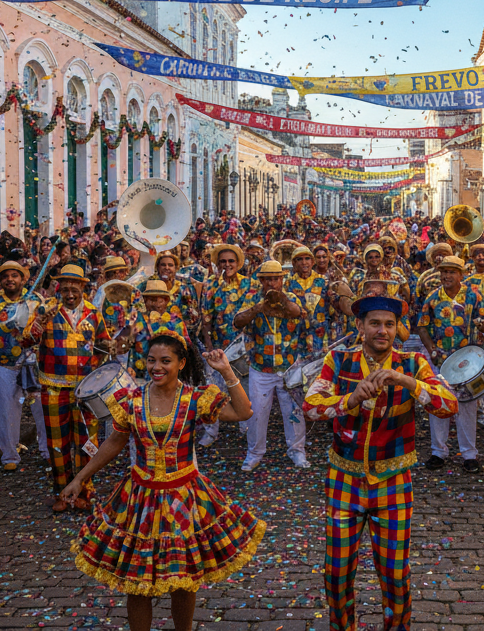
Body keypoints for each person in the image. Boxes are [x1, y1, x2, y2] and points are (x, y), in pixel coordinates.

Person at [65, 332, 262, 631]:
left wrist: (226, 370)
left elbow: (243, 412)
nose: (156, 367)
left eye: (165, 361)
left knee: (183, 581)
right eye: (151, 360)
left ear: (181, 363)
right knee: (136, 582)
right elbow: (115, 441)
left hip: (184, 499)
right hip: (139, 501)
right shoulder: (131, 400)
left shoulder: (195, 398)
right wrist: (80, 478)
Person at [302, 293, 458, 631]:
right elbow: (310, 407)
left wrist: (406, 382)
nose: (382, 331)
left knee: (395, 574)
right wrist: (349, 399)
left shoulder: (413, 362)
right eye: (374, 323)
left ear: (397, 328)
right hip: (344, 481)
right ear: (360, 326)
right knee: (337, 572)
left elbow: (448, 405)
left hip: (393, 482)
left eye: (389, 324)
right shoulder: (338, 360)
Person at [23, 264, 111, 512]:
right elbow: (26, 340)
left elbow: (103, 344)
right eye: (66, 289)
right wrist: (40, 322)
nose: (70, 294)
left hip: (86, 390)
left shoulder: (93, 313)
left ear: (83, 287)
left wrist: (113, 348)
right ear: (59, 288)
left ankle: (84, 490)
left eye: (75, 289)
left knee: (87, 441)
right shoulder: (46, 310)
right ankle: (62, 492)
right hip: (53, 388)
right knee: (57, 442)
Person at [416, 256, 484, 472]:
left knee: (466, 407)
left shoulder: (474, 295)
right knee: (438, 404)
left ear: (461, 275)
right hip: (440, 359)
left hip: (468, 361)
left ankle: (469, 454)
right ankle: (438, 452)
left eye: (451, 272)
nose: (447, 276)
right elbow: (422, 326)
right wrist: (432, 349)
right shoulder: (432, 298)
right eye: (444, 272)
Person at [233, 260, 309, 471]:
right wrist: (258, 308)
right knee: (257, 414)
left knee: (293, 413)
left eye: (276, 279)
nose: (272, 283)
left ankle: (297, 452)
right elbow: (237, 321)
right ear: (261, 281)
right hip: (260, 367)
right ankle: (254, 454)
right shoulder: (252, 298)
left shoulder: (291, 297)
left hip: (289, 367)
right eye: (267, 279)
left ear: (282, 280)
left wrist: (280, 299)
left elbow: (297, 312)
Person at [0, 261, 44, 473]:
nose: (10, 279)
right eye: (5, 276)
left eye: (14, 275)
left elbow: (45, 324)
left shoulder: (36, 300)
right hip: (5, 363)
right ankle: (10, 455)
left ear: (22, 279)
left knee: (41, 407)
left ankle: (47, 450)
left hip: (33, 361)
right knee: (7, 409)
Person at [198, 244, 253, 448]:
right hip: (219, 346)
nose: (227, 265)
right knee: (213, 388)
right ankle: (211, 431)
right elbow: (206, 319)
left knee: (243, 387)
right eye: (223, 261)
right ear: (217, 264)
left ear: (238, 263)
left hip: (245, 347)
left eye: (231, 261)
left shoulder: (249, 284)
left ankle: (246, 427)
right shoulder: (210, 285)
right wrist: (209, 346)